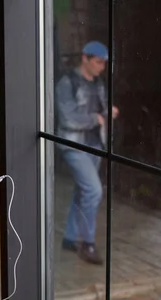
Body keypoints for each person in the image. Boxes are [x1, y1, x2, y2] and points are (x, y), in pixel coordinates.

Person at [55, 40, 119, 265]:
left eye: (104, 63)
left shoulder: (99, 83)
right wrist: (98, 118)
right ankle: (87, 242)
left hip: (95, 144)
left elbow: (98, 108)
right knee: (93, 191)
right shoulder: (67, 82)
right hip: (73, 145)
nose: (102, 67)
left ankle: (71, 238)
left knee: (83, 191)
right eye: (98, 62)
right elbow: (68, 118)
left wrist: (107, 111)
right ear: (85, 58)